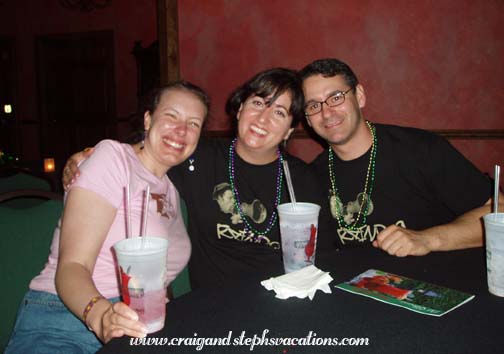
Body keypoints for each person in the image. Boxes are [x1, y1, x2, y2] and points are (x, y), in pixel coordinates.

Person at [62, 68, 331, 290]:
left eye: (279, 113)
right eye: (258, 103)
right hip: (210, 307)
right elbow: (146, 153)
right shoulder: (195, 158)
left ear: (289, 130)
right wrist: (87, 154)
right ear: (239, 110)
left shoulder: (302, 180)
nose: (263, 118)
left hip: (281, 301)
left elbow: (324, 256)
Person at [6, 81, 210, 353]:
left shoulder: (171, 190)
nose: (182, 130)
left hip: (136, 324)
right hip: (66, 318)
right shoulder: (113, 159)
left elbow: (156, 279)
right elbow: (72, 266)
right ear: (148, 120)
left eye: (193, 123)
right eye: (171, 116)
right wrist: (101, 316)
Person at [299, 58, 502, 257]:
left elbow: (499, 212)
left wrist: (427, 239)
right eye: (313, 106)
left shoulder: (421, 149)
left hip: (437, 283)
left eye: (336, 97)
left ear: (359, 96)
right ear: (307, 119)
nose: (326, 112)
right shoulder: (312, 175)